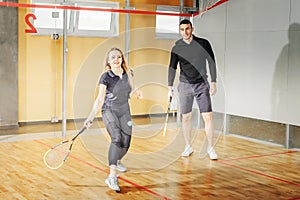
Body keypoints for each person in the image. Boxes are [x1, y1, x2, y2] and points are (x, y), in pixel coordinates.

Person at [84, 47, 142, 192]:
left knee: (126, 143)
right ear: (108, 62)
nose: (116, 60)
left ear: (122, 59)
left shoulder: (129, 73)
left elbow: (133, 88)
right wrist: (91, 117)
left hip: (124, 110)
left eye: (118, 57)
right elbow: (100, 99)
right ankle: (112, 176)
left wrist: (137, 92)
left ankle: (115, 159)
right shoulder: (105, 77)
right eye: (113, 58)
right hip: (109, 110)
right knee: (116, 138)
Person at [168, 19, 218, 160]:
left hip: (202, 84)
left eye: (187, 29)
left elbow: (212, 62)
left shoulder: (203, 43)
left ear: (192, 29)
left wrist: (213, 82)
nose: (185, 32)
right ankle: (188, 146)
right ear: (180, 31)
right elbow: (172, 67)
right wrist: (169, 86)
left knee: (207, 116)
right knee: (186, 117)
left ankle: (210, 147)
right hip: (184, 85)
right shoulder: (177, 47)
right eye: (182, 29)